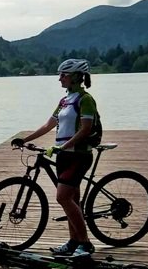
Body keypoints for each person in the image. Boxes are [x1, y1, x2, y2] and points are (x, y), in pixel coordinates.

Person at [11, 59, 99, 258]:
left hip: (78, 155)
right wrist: (24, 139)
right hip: (64, 156)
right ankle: (73, 241)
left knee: (62, 197)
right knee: (72, 199)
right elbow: (47, 125)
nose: (60, 78)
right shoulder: (64, 101)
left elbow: (85, 129)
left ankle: (85, 244)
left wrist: (62, 147)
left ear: (76, 77)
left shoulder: (85, 99)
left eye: (64, 75)